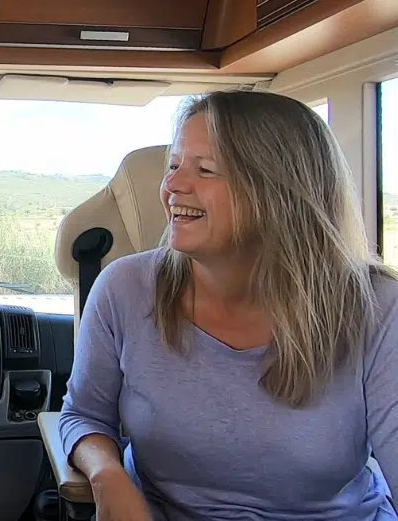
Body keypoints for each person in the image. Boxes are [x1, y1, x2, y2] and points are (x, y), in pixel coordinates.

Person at [59, 90, 398, 520]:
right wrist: (107, 476)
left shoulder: (378, 307)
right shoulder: (123, 288)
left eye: (205, 169)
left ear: (278, 191)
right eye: (174, 166)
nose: (172, 186)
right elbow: (83, 415)